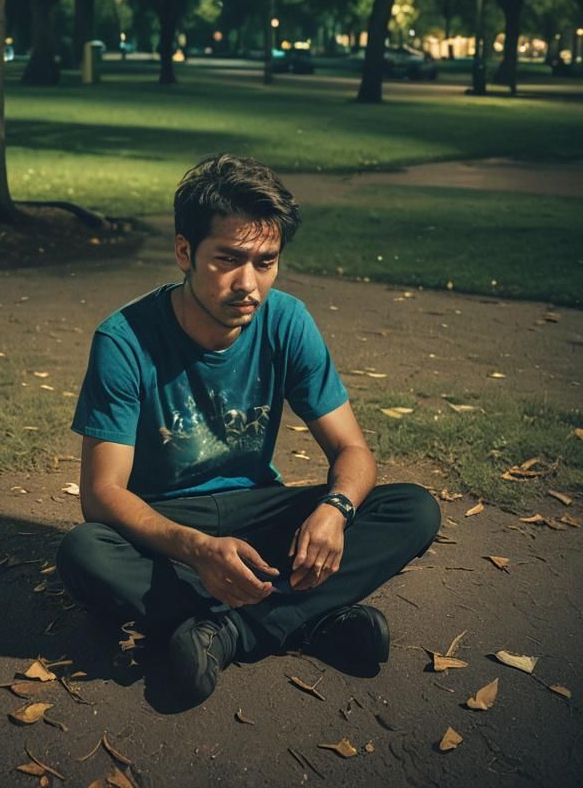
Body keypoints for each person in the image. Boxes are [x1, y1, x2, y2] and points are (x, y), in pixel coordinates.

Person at [57, 154, 440, 704]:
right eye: (229, 260)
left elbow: (352, 449)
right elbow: (101, 495)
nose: (249, 284)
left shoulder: (287, 321)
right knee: (85, 553)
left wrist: (336, 512)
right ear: (185, 251)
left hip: (260, 511)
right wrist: (196, 549)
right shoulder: (124, 340)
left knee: (413, 509)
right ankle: (309, 620)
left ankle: (229, 631)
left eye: (266, 262)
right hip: (169, 526)